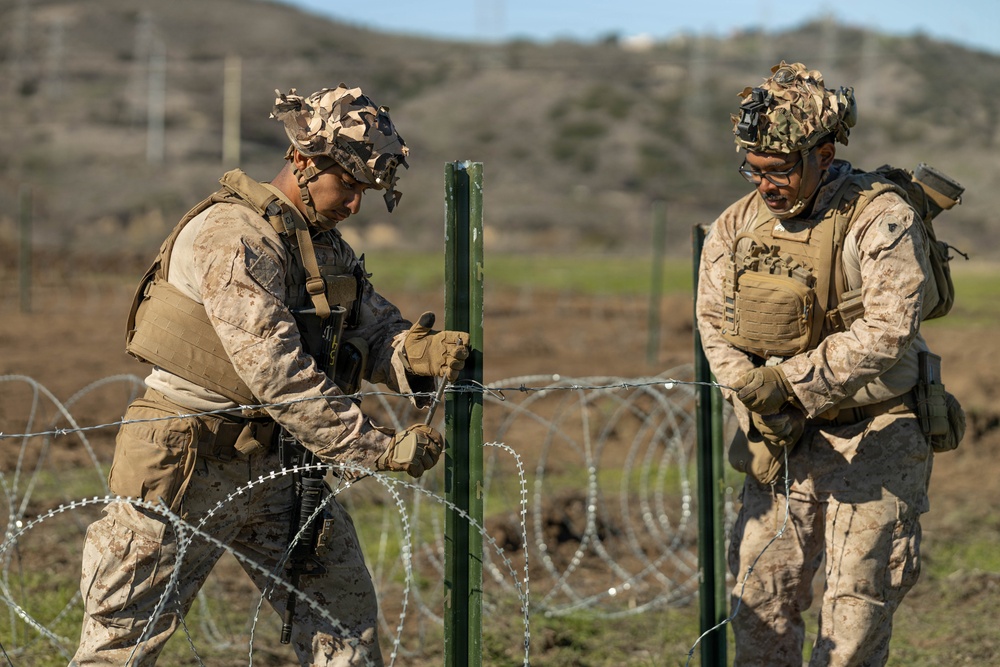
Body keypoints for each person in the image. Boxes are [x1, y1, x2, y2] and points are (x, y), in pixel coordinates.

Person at [72, 84, 469, 666]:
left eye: (367, 190)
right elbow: (276, 372)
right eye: (349, 184)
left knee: (345, 636)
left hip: (285, 464)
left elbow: (369, 329)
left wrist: (415, 353)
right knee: (120, 647)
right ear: (303, 162)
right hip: (188, 456)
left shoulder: (320, 246)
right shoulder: (233, 238)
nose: (355, 204)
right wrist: (375, 448)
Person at [695, 62, 964, 666]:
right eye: (754, 170)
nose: (766, 185)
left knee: (855, 611)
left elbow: (888, 329)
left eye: (781, 169)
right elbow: (714, 323)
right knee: (760, 602)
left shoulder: (880, 216)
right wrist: (753, 399)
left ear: (823, 152)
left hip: (879, 431)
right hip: (784, 437)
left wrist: (787, 385)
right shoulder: (737, 225)